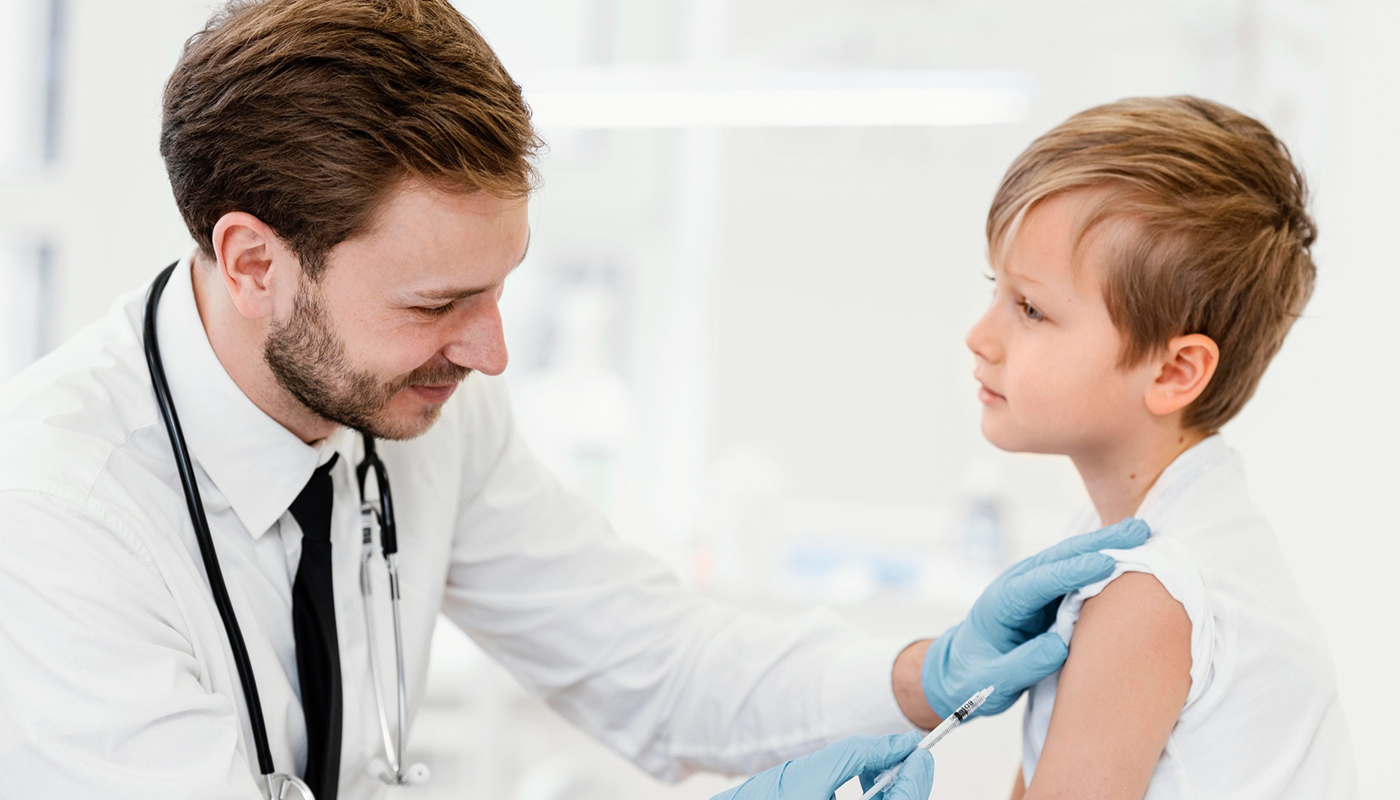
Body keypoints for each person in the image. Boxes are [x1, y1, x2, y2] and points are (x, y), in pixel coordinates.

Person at [0, 2, 1146, 798]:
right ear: (253, 262)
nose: (490, 351)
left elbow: (645, 652)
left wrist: (920, 668)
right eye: (437, 300)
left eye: (499, 290)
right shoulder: (55, 513)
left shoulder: (410, 409)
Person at [964, 96, 1358, 798]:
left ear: (1175, 371)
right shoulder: (1128, 533)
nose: (980, 337)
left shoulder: (1152, 588)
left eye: (1030, 308)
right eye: (996, 288)